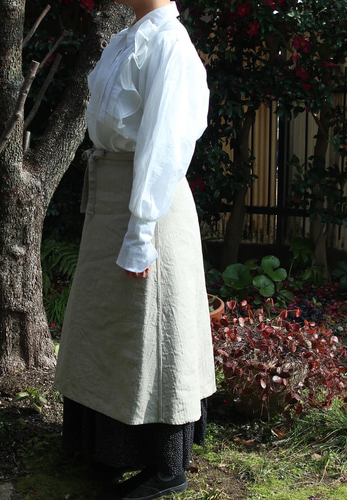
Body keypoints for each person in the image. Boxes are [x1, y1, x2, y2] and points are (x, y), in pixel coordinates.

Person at [54, 1, 217, 498]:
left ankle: (166, 466)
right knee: (104, 326)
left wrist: (141, 232)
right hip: (110, 201)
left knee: (152, 331)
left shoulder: (170, 45)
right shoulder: (127, 39)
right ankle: (105, 448)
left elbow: (165, 144)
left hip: (148, 206)